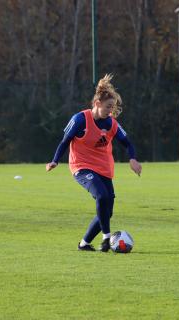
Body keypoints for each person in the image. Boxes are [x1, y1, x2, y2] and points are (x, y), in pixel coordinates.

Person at [46, 74, 142, 252]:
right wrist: (55, 161)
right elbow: (65, 141)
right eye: (108, 107)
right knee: (102, 196)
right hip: (81, 167)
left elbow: (127, 143)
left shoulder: (112, 123)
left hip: (104, 168)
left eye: (113, 107)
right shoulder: (80, 119)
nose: (111, 111)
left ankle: (84, 244)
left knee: (107, 212)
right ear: (97, 104)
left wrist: (133, 158)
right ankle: (107, 238)